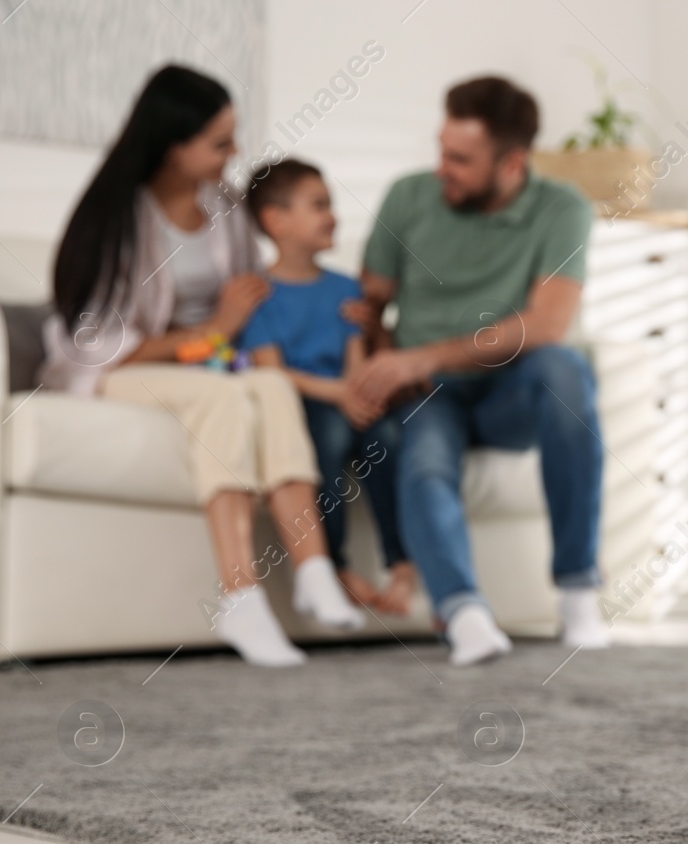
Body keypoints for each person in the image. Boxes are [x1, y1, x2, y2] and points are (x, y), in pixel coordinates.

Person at [39, 65, 364, 667]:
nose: (234, 153)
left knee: (268, 384)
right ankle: (240, 597)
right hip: (127, 370)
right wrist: (208, 332)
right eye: (219, 142)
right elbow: (97, 345)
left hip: (211, 364)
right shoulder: (119, 220)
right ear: (173, 147)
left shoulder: (224, 209)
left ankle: (316, 570)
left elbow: (254, 296)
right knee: (226, 398)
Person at [349, 75, 608, 666]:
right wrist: (389, 361)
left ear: (512, 163)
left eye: (461, 159)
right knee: (426, 460)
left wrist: (424, 353)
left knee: (565, 370)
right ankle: (465, 614)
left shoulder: (561, 209)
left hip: (511, 388)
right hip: (430, 394)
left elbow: (547, 323)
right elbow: (367, 305)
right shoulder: (407, 198)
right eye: (442, 151)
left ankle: (577, 593)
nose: (444, 168)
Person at [239, 158, 418, 616]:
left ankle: (402, 564)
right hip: (302, 407)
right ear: (276, 221)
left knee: (387, 436)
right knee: (332, 435)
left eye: (331, 204)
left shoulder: (346, 289)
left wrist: (356, 394)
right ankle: (333, 564)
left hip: (344, 398)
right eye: (318, 205)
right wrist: (340, 396)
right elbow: (271, 372)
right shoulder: (258, 294)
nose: (332, 215)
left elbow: (354, 363)